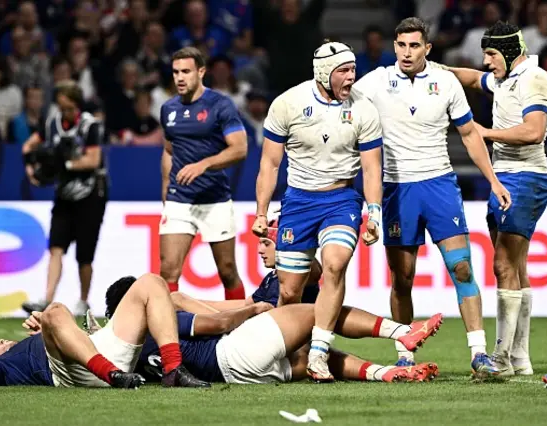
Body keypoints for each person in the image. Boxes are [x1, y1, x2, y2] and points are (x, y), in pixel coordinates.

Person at [353, 17, 511, 377]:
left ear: (428, 48)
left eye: (414, 45)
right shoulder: (375, 82)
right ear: (394, 46)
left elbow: (470, 134)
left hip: (439, 186)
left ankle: (478, 354)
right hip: (396, 189)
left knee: (463, 268)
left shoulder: (446, 81)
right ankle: (405, 352)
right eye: (401, 45)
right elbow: (345, 107)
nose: (407, 52)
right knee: (402, 279)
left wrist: (494, 181)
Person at [252, 40, 384, 382]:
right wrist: (261, 213)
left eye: (353, 69)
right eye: (344, 70)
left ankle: (319, 353)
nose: (351, 77)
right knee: (289, 290)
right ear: (324, 74)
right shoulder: (288, 104)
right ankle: (282, 352)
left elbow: (371, 169)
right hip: (298, 203)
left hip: (342, 199)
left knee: (335, 265)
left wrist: (374, 213)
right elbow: (269, 163)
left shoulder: (364, 109)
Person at [438, 21, 547, 376]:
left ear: (507, 51)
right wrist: (436, 69)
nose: (487, 62)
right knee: (515, 268)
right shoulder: (507, 79)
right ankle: (519, 357)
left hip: (525, 178)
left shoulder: (534, 79)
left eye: (491, 54)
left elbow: (534, 131)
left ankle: (501, 359)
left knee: (504, 266)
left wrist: (482, 132)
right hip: (506, 178)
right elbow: (474, 78)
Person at [96, 276, 443, 385]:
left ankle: (386, 373)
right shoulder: (160, 324)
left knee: (315, 357)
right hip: (233, 351)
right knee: (318, 314)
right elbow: (218, 323)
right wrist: (253, 310)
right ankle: (401, 333)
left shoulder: (127, 352)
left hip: (242, 376)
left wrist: (185, 298)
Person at [0, 274, 210, 388]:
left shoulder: (28, 345)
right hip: (72, 374)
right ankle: (111, 374)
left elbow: (75, 342)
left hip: (101, 355)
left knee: (152, 282)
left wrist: (48, 332)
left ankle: (173, 370)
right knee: (54, 310)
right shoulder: (5, 369)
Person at [159, 46, 248, 300]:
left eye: (185, 71)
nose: (179, 77)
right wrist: (166, 186)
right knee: (168, 271)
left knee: (227, 271)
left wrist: (203, 165)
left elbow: (240, 149)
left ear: (201, 72)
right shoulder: (169, 109)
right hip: (179, 199)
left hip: (214, 199)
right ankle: (169, 332)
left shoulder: (220, 105)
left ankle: (239, 328)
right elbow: (168, 150)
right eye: (175, 72)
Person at [21, 81, 107, 316]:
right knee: (56, 247)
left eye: (69, 108)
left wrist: (64, 164)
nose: (66, 112)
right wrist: (31, 169)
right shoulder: (51, 124)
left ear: (77, 105)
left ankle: (83, 300)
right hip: (65, 194)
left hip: (91, 194)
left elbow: (93, 160)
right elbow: (28, 146)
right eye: (62, 108)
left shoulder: (90, 126)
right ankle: (46, 299)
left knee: (84, 254)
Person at [172, 218, 321, 313]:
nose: (259, 250)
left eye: (266, 243)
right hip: (259, 335)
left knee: (179, 303)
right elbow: (245, 305)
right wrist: (194, 303)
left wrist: (296, 238)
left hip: (278, 344)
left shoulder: (301, 275)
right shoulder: (272, 278)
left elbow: (316, 270)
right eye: (260, 244)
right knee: (179, 300)